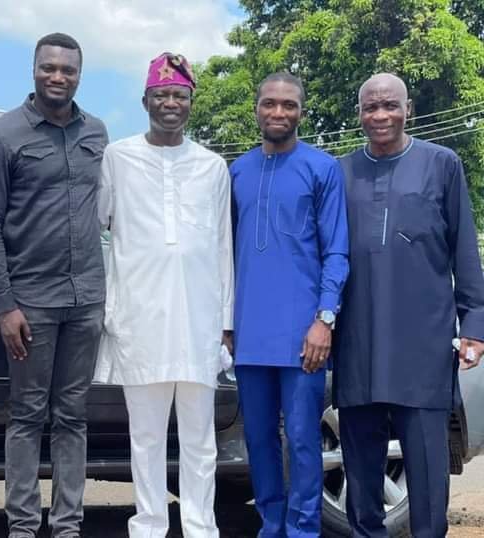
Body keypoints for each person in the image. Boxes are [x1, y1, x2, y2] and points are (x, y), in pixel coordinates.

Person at [333, 73, 484, 538]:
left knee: (427, 469)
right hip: (357, 343)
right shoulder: (340, 172)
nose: (380, 115)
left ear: (408, 108)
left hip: (423, 345)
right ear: (359, 113)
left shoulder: (441, 164)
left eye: (390, 106)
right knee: (360, 470)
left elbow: (463, 250)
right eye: (370, 107)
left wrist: (474, 324)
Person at [94, 52, 233, 538]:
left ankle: (200, 528)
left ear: (191, 102)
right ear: (145, 101)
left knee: (200, 440)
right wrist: (110, 307)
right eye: (161, 95)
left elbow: (223, 246)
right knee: (146, 438)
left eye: (179, 95)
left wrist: (227, 320)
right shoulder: (118, 158)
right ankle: (148, 526)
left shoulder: (212, 167)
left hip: (199, 320)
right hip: (140, 318)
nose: (170, 103)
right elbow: (98, 228)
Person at [0, 33, 108, 538]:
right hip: (29, 304)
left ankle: (68, 525)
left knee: (73, 416)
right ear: (34, 69)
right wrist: (4, 304)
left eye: (68, 70)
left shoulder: (96, 132)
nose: (58, 77)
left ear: (79, 75)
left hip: (86, 300)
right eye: (49, 67)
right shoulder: (2, 136)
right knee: (28, 415)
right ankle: (24, 526)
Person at [229, 72, 349, 537]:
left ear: (302, 111)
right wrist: (225, 323)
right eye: (269, 103)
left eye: (288, 105)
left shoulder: (322, 169)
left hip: (304, 334)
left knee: (302, 440)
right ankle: (271, 525)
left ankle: (303, 529)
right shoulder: (236, 172)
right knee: (258, 440)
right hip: (249, 333)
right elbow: (224, 254)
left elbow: (336, 251)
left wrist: (324, 319)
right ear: (256, 108)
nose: (278, 112)